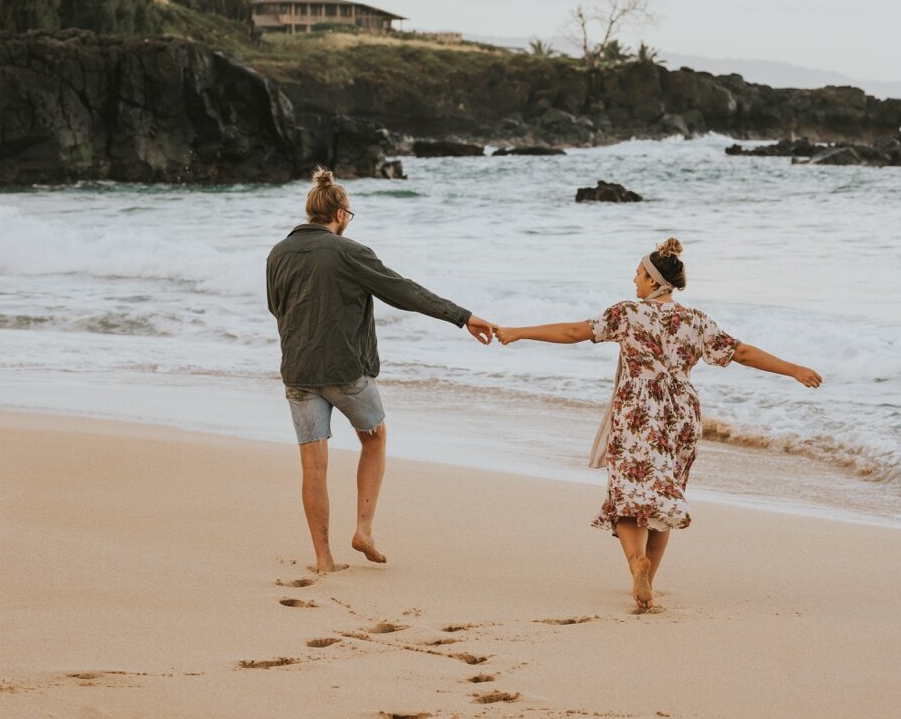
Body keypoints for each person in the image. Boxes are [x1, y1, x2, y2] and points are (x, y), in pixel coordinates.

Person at [495, 238, 822, 612]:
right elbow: (742, 353)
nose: (634, 280)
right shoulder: (696, 321)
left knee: (627, 492)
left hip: (637, 409)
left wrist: (518, 331)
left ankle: (637, 564)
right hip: (681, 413)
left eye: (638, 274)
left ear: (652, 281)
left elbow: (574, 333)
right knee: (664, 496)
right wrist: (794, 369)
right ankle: (650, 580)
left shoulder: (628, 313)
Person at [266, 166, 499, 572]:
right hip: (346, 372)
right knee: (374, 438)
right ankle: (363, 530)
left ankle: (323, 559)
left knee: (313, 464)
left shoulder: (277, 254)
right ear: (339, 214)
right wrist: (463, 317)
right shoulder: (349, 252)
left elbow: (277, 308)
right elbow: (403, 291)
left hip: (299, 373)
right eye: (348, 215)